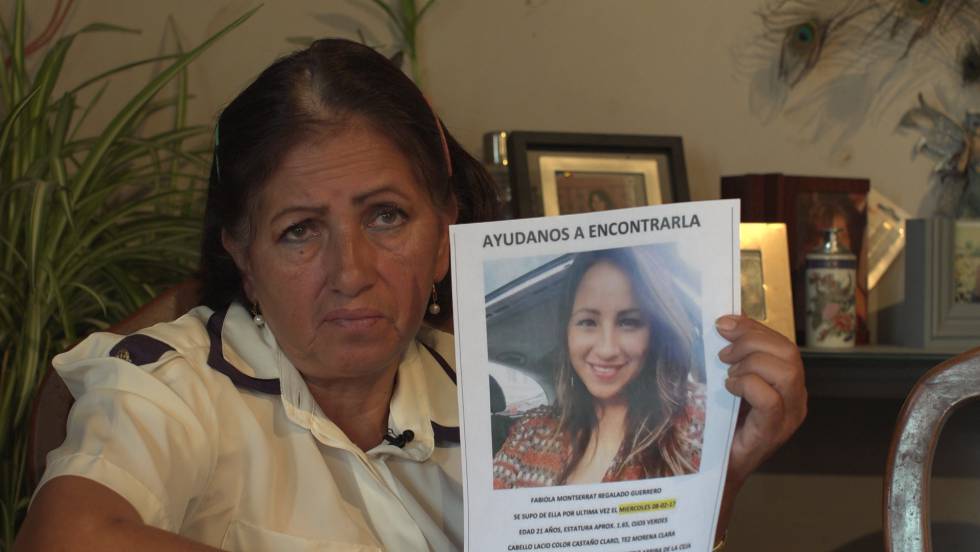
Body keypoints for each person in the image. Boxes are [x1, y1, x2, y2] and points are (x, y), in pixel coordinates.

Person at [16, 39, 807, 551]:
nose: (351, 270)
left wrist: (717, 474)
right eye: (299, 231)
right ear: (242, 255)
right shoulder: (166, 384)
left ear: (443, 234)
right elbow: (67, 540)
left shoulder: (509, 401)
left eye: (386, 217)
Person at [493, 247, 705, 487]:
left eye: (628, 322)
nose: (606, 349)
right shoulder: (529, 432)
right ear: (567, 332)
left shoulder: (695, 418)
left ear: (654, 333)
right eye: (588, 322)